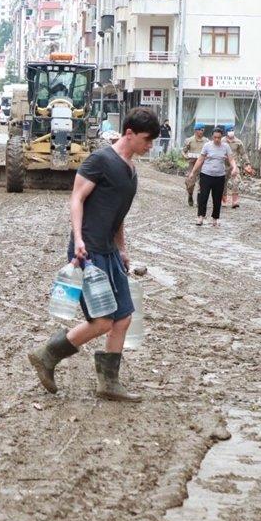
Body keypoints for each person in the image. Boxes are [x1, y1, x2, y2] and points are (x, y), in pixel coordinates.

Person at [28, 107, 160, 402]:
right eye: (147, 139)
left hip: (110, 252)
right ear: (129, 133)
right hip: (87, 251)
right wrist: (77, 240)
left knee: (123, 317)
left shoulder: (131, 169)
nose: (149, 145)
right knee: (102, 321)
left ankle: (108, 383)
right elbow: (76, 198)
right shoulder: (100, 160)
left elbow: (118, 214)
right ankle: (47, 355)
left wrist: (123, 248)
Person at [189, 127, 238, 227]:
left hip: (219, 176)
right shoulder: (207, 146)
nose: (217, 139)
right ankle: (200, 217)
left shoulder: (225, 147)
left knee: (217, 198)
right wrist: (193, 172)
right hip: (206, 175)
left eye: (219, 138)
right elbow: (200, 159)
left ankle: (215, 218)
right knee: (203, 196)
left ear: (221, 137)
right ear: (212, 137)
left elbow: (231, 159)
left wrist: (234, 168)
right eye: (215, 137)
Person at [223, 129, 251, 209]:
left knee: (236, 181)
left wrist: (247, 163)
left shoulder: (238, 142)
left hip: (235, 165)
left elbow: (243, 153)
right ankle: (224, 200)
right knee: (223, 183)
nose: (231, 132)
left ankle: (234, 201)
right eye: (229, 130)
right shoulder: (222, 141)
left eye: (232, 130)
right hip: (224, 165)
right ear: (226, 132)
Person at [182, 126, 206, 206]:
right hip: (192, 164)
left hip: (203, 165)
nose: (201, 131)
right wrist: (185, 156)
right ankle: (190, 195)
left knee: (202, 183)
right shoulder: (189, 140)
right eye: (199, 130)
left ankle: (199, 200)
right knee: (190, 182)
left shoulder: (206, 141)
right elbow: (183, 151)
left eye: (202, 130)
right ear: (195, 130)